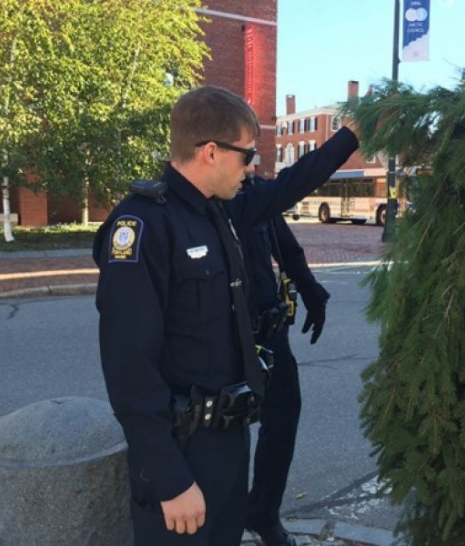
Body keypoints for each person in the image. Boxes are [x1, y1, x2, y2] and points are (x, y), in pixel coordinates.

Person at [93, 85, 358, 546]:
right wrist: (170, 478)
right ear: (211, 152)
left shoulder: (224, 210)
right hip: (180, 455)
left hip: (229, 444)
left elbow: (292, 184)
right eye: (247, 155)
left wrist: (352, 135)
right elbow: (129, 370)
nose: (253, 166)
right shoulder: (143, 226)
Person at [226, 180, 330, 546]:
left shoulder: (254, 194)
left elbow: (288, 250)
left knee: (283, 420)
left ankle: (263, 512)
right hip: (225, 340)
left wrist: (314, 294)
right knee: (226, 431)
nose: (249, 162)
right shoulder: (201, 197)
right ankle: (222, 518)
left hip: (271, 334)